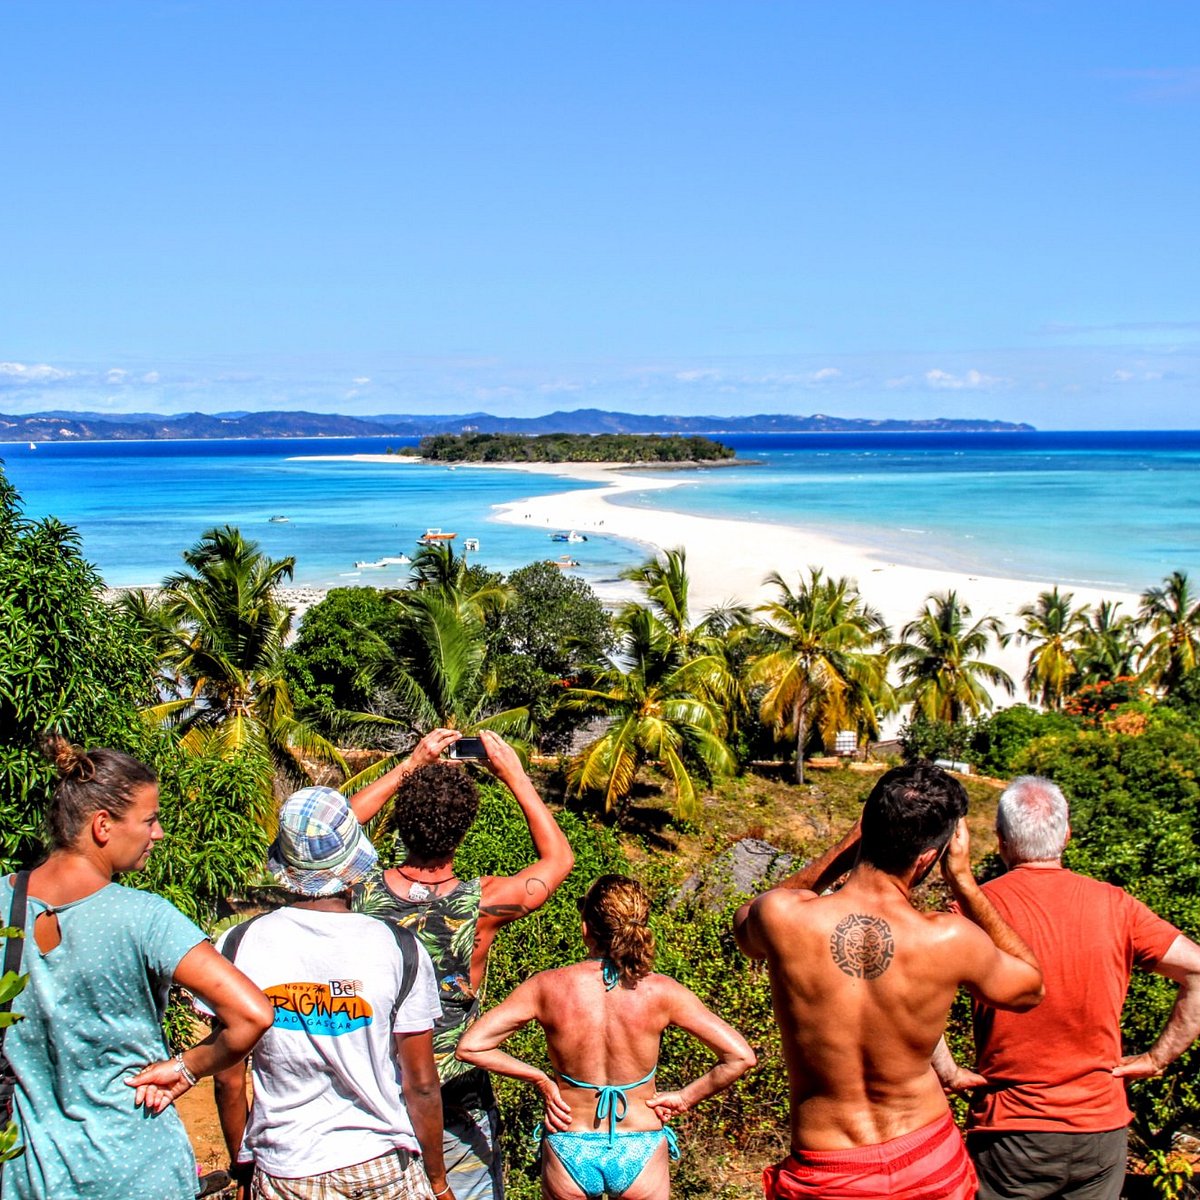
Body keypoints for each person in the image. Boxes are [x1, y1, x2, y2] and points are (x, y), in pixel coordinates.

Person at [733, 761, 1045, 1200]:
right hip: (927, 1161)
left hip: (828, 1172)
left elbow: (744, 926)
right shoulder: (949, 939)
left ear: (867, 829)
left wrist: (845, 847)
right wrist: (965, 883)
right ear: (928, 858)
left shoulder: (783, 917)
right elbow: (1032, 987)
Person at [0, 735, 273, 1200]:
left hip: (31, 1171)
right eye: (149, 820)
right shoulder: (145, 916)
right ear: (103, 825)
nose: (158, 833)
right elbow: (252, 1014)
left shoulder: (4, 903)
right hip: (136, 1164)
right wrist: (187, 1069)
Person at [933, 775, 1200, 1200]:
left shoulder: (969, 911)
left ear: (1001, 841)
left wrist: (947, 1070)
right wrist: (1155, 1058)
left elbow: (914, 996)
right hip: (1102, 1129)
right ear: (1067, 836)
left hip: (1011, 1132)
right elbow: (1197, 970)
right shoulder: (1117, 905)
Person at [349, 727, 575, 1200]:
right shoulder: (483, 903)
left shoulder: (359, 893)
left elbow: (330, 830)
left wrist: (410, 766)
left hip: (370, 1096)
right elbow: (557, 859)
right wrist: (513, 773)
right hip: (457, 1101)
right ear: (465, 827)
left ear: (404, 824)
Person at [211, 784, 450, 1200]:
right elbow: (422, 1084)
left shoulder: (238, 945)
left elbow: (229, 1081)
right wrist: (437, 1180)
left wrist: (243, 1164)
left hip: (286, 1167)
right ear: (354, 866)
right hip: (381, 1163)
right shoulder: (399, 947)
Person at [456, 874, 756, 1200]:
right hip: (640, 1140)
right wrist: (684, 1098)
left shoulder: (547, 986)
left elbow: (471, 1046)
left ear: (586, 927)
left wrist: (540, 1079)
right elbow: (740, 1056)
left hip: (570, 1138)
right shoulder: (662, 992)